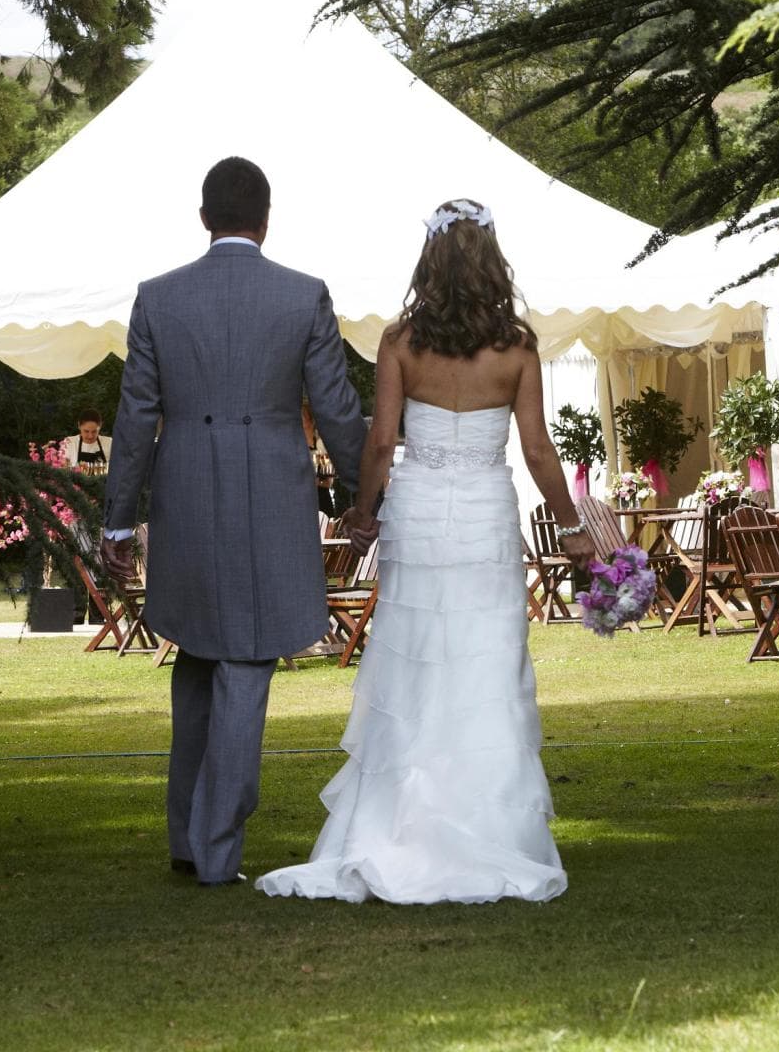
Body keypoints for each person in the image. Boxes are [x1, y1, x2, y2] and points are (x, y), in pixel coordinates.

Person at [257, 198, 596, 905]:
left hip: (416, 512)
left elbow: (380, 442)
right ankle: (491, 833)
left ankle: (396, 827)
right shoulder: (517, 347)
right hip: (483, 515)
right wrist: (572, 528)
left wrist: (362, 511)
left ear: (430, 261)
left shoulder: (401, 342)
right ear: (491, 259)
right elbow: (537, 450)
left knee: (413, 660)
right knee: (486, 663)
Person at [100, 157, 369, 887]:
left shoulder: (158, 298)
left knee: (195, 659)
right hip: (271, 498)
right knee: (245, 663)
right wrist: (359, 495)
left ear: (203, 217)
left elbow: (134, 418)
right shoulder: (302, 295)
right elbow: (340, 409)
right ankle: (216, 853)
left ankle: (188, 840)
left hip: (183, 491)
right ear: (267, 218)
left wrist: (118, 524)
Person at [62, 409, 111, 475]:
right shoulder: (69, 442)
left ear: (100, 426)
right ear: (79, 425)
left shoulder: (110, 443)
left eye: (94, 431)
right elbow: (64, 470)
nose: (90, 436)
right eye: (86, 431)